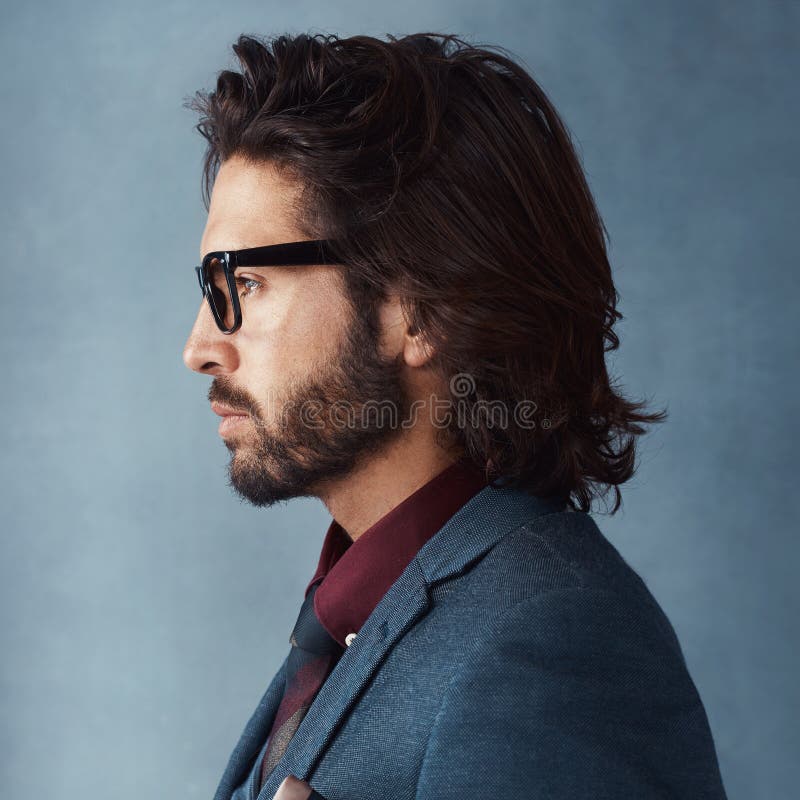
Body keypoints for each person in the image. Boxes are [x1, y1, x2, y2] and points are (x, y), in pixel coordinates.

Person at [182, 31, 728, 800]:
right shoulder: (353, 616)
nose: (200, 348)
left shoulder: (549, 639)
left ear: (420, 312)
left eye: (248, 285)